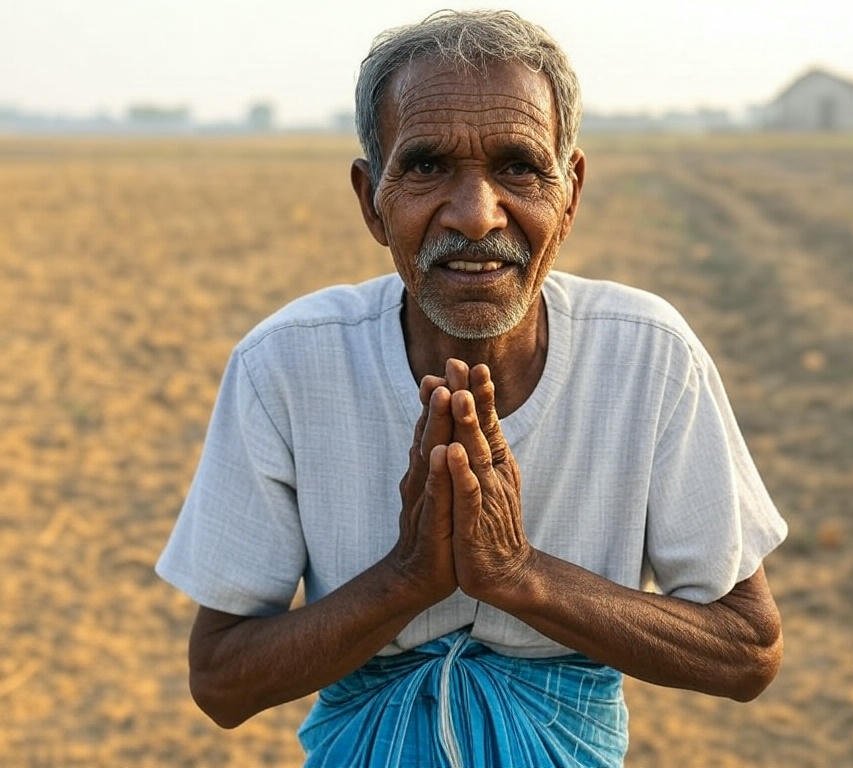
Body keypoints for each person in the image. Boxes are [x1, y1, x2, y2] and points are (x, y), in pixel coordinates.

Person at [156, 9, 787, 767]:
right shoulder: (287, 365)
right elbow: (222, 680)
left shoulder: (647, 355)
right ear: (370, 200)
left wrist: (520, 576)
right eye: (425, 167)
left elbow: (747, 649)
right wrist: (409, 578)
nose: (476, 215)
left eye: (519, 166)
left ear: (571, 190)